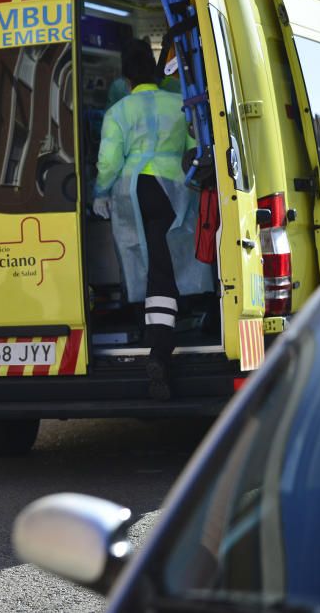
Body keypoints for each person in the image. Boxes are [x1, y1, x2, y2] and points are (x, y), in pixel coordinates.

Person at [92, 39, 210, 401]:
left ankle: (159, 345)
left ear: (126, 79)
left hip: (136, 190)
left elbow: (110, 161)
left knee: (153, 266)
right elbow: (197, 141)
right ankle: (168, 338)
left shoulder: (119, 111)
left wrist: (99, 192)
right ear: (157, 74)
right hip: (177, 188)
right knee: (172, 259)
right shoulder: (178, 103)